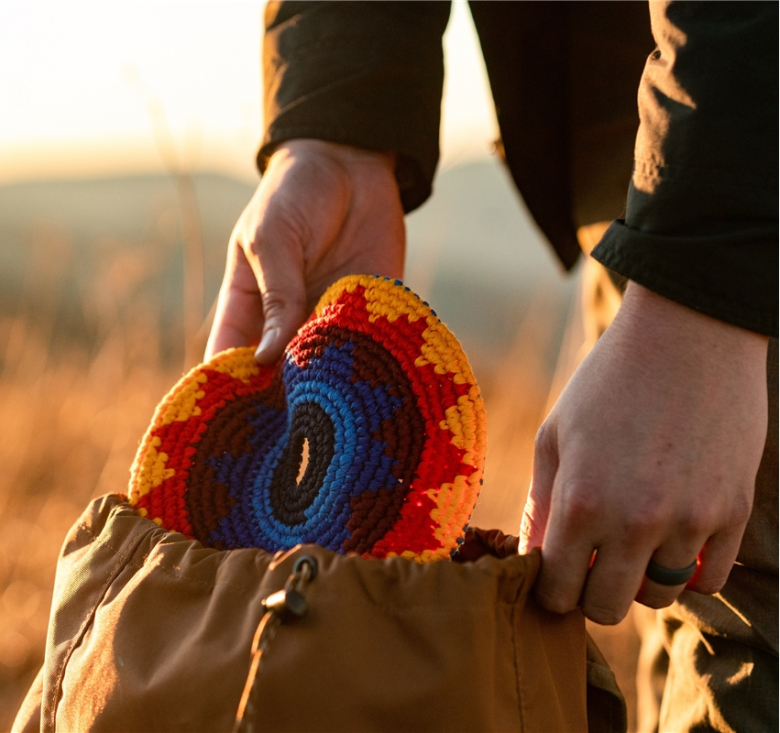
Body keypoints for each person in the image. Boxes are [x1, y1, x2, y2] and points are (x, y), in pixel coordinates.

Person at [204, 3, 777, 730]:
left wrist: (707, 274)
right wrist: (334, 120)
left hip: (729, 175)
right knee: (673, 622)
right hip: (651, 175)